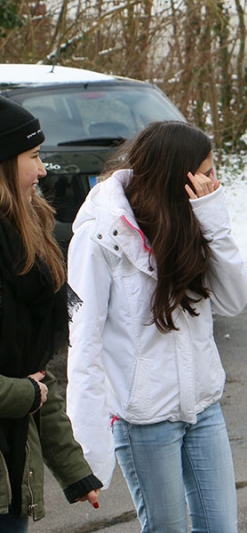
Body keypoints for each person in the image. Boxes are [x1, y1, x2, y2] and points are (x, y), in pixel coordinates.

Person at [66, 121, 247, 532]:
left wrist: (215, 224)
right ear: (175, 175)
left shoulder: (192, 219)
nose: (214, 182)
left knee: (222, 527)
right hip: (144, 420)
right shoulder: (99, 235)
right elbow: (84, 343)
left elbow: (234, 301)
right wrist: (88, 455)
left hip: (203, 407)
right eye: (206, 171)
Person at [0, 96, 102, 531]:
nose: (44, 171)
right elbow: (31, 389)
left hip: (14, 470)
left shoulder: (30, 238)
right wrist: (25, 395)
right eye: (34, 156)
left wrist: (73, 469)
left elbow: (36, 374)